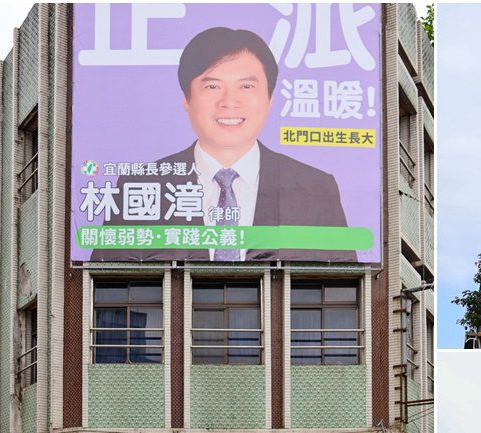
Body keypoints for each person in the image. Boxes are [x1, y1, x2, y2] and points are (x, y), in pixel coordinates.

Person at [92, 26, 350, 263]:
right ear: (186, 99)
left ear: (269, 99)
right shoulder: (140, 187)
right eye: (213, 86)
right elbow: (106, 287)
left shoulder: (316, 190)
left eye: (246, 86)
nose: (229, 101)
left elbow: (344, 285)